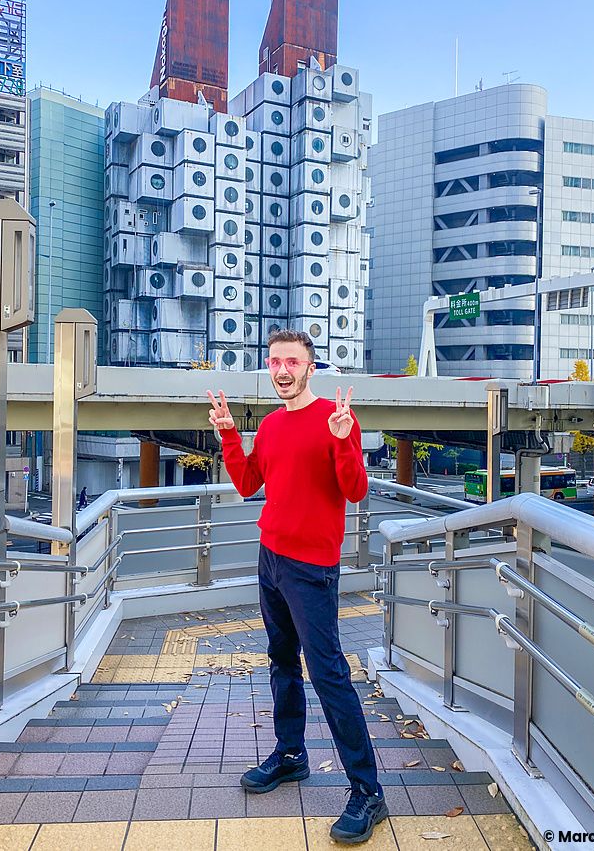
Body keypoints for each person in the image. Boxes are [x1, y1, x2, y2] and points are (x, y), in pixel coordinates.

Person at [207, 329, 387, 844]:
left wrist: (344, 440)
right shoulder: (269, 425)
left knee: (328, 674)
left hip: (312, 569)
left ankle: (368, 791)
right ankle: (291, 754)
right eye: (275, 362)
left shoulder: (335, 418)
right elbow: (247, 484)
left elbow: (355, 490)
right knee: (281, 660)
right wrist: (229, 435)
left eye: (292, 362)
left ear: (310, 368)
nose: (282, 370)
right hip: (271, 558)